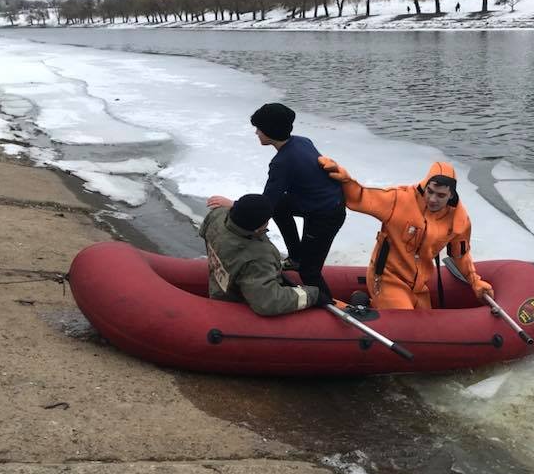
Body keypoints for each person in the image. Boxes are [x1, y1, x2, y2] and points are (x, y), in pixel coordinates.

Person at [208, 103, 345, 298]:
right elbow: (274, 201)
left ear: (269, 131)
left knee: (309, 272)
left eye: (259, 128)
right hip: (318, 201)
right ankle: (296, 257)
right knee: (280, 206)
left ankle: (326, 304)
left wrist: (234, 205)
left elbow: (266, 205)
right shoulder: (302, 141)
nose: (256, 132)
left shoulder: (282, 163)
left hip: (326, 215)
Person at [319, 157, 493, 310]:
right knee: (408, 327)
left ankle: (364, 304)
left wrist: (475, 281)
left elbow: (460, 255)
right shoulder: (399, 200)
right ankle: (335, 306)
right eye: (430, 191)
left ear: (451, 195)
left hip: (418, 286)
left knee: (427, 327)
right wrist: (345, 181)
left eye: (441, 195)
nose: (433, 199)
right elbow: (361, 197)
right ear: (425, 185)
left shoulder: (458, 220)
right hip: (387, 278)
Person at [199, 193, 331, 315]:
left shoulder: (218, 215)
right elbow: (268, 302)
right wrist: (313, 295)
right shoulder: (257, 258)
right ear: (257, 228)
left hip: (219, 287)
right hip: (237, 307)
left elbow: (203, 232)